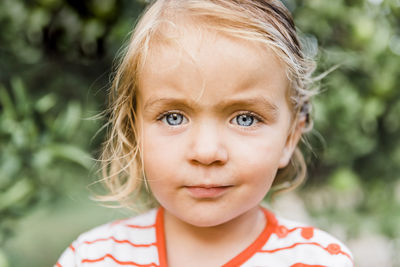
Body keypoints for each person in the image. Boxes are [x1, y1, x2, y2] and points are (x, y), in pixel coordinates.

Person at [55, 0, 353, 266]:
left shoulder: (318, 260)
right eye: (173, 117)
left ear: (289, 138)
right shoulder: (91, 257)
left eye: (246, 119)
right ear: (135, 131)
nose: (207, 152)